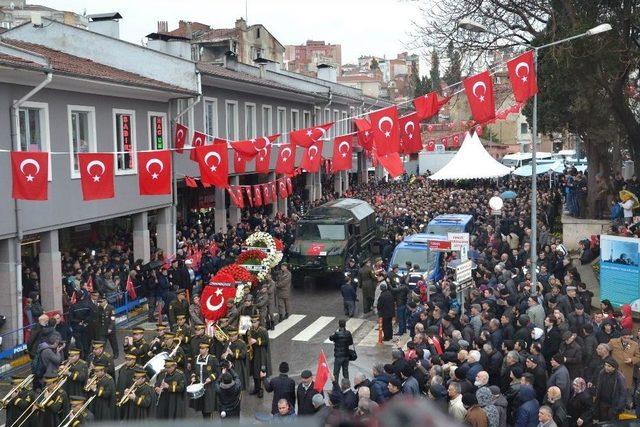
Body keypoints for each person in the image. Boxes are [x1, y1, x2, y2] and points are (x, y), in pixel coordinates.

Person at [190, 342, 219, 419]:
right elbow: (193, 370)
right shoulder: (196, 358)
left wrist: (211, 378)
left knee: (208, 408)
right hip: (199, 385)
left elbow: (217, 372)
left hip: (209, 386)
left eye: (203, 348)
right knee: (202, 407)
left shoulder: (212, 359)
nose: (201, 350)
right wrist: (193, 376)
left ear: (207, 349)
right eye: (200, 348)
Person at [247, 314, 272, 398]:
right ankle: (256, 388)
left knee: (261, 370)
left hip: (261, 353)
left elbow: (266, 342)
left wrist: (256, 342)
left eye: (255, 322)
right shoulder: (251, 329)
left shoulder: (263, 331)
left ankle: (261, 389)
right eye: (252, 322)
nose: (253, 323)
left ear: (258, 322)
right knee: (254, 371)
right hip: (253, 352)